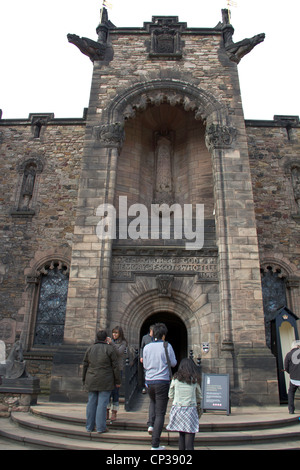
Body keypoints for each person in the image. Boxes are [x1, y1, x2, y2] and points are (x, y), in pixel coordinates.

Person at [143, 322, 177, 450]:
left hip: (150, 382)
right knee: (160, 413)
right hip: (162, 381)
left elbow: (145, 365)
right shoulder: (167, 346)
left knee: (152, 401)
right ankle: (155, 444)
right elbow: (173, 363)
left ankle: (150, 425)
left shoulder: (147, 347)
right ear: (163, 335)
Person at [82, 330, 121, 433]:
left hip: (91, 379)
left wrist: (84, 379)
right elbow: (115, 367)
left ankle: (89, 427)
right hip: (106, 380)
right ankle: (101, 427)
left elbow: (85, 365)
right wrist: (117, 381)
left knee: (91, 403)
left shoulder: (90, 348)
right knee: (102, 404)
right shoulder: (109, 349)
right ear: (105, 338)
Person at [166, 358, 202, 450]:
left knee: (181, 435)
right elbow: (199, 396)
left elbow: (170, 395)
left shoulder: (175, 379)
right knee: (190, 435)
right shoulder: (194, 380)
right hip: (190, 410)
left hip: (178, 409)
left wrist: (177, 399)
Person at [106, 326, 127, 422]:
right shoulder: (109, 343)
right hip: (109, 369)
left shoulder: (123, 343)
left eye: (116, 333)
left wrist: (111, 344)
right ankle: (106, 410)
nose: (114, 335)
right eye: (113, 333)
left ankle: (114, 412)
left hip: (118, 369)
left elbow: (119, 352)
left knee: (115, 391)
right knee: (107, 391)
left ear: (120, 334)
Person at [284, 340, 300, 414]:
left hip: (294, 378)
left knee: (291, 392)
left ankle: (291, 409)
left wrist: (291, 373)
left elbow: (286, 367)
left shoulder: (289, 354)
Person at [140, 325, 154, 393]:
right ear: (151, 330)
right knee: (145, 372)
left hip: (154, 358)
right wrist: (141, 356)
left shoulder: (157, 338)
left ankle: (152, 388)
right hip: (147, 358)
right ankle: (145, 387)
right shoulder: (145, 337)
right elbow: (142, 347)